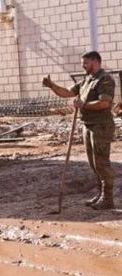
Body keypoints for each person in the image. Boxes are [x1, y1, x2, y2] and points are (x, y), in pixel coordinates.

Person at [43, 51, 115, 210]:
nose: (83, 66)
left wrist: (83, 105)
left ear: (96, 62)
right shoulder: (86, 81)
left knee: (101, 163)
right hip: (88, 125)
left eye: (86, 63)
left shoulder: (105, 80)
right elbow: (67, 93)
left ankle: (108, 198)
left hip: (101, 126)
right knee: (93, 163)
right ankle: (100, 194)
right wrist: (52, 86)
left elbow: (104, 103)